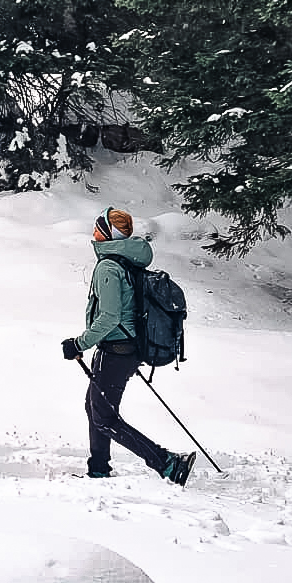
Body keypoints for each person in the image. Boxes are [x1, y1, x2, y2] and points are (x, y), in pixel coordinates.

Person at [62, 207, 194, 485]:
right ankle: (98, 467)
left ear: (109, 233)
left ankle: (168, 463)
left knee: (104, 417)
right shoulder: (127, 262)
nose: (94, 232)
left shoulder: (109, 266)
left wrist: (79, 343)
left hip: (116, 351)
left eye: (99, 227)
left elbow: (109, 316)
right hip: (126, 349)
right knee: (95, 409)